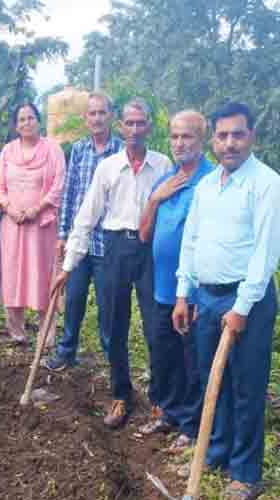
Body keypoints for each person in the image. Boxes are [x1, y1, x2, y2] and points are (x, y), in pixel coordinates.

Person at [173, 103, 280, 499]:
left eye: (238, 134)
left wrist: (242, 307)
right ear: (213, 140)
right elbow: (192, 241)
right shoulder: (206, 186)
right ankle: (215, 451)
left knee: (247, 386)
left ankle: (246, 472)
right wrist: (184, 292)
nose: (229, 143)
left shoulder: (266, 184)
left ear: (252, 135)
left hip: (246, 299)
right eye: (223, 135)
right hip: (208, 297)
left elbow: (265, 255)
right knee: (211, 379)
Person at [53, 98, 173, 428]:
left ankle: (160, 399)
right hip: (114, 249)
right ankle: (121, 395)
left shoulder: (163, 166)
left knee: (155, 326)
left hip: (150, 251)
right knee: (115, 327)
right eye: (129, 123)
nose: (134, 130)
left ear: (149, 127)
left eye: (140, 123)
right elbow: (86, 216)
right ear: (121, 126)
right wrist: (68, 266)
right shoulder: (107, 168)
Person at [135, 111, 211, 453]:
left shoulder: (211, 180)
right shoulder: (164, 180)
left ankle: (192, 426)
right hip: (162, 285)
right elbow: (144, 234)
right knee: (163, 353)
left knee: (191, 359)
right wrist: (155, 199)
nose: (180, 143)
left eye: (188, 137)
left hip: (195, 289)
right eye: (175, 137)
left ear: (202, 139)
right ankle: (168, 413)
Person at [45, 93, 123, 371]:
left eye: (102, 113)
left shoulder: (122, 151)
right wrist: (63, 234)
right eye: (92, 113)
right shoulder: (78, 150)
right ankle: (66, 352)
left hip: (107, 244)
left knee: (107, 305)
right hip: (79, 243)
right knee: (74, 299)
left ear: (111, 116)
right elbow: (69, 194)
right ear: (86, 118)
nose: (97, 118)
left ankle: (112, 358)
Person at [0, 103, 65, 344]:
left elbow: (58, 185)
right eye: (22, 119)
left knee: (43, 276)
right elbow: (0, 188)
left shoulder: (52, 149)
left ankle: (47, 336)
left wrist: (37, 208)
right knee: (13, 276)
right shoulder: (7, 151)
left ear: (39, 120)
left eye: (31, 118)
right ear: (16, 125)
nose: (27, 123)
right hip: (13, 225)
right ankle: (17, 333)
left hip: (41, 226)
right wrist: (10, 209)